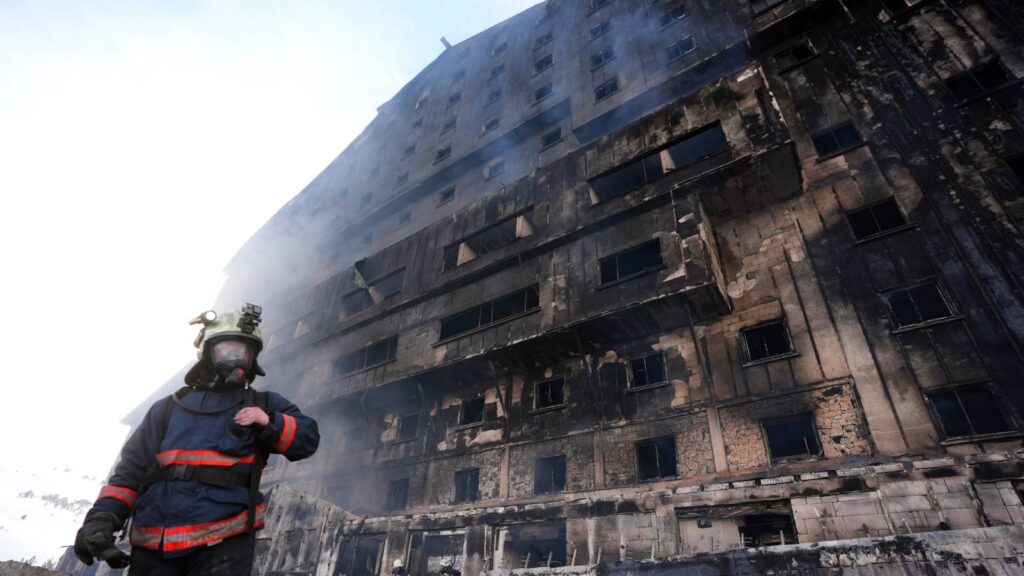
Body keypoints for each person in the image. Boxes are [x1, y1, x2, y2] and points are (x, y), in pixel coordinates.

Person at [73, 304, 320, 575]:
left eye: (245, 351)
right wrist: (102, 518)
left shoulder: (263, 403)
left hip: (222, 546)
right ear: (208, 351)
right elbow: (130, 471)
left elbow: (307, 439)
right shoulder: (168, 408)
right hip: (154, 547)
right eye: (229, 349)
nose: (238, 358)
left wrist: (269, 421)